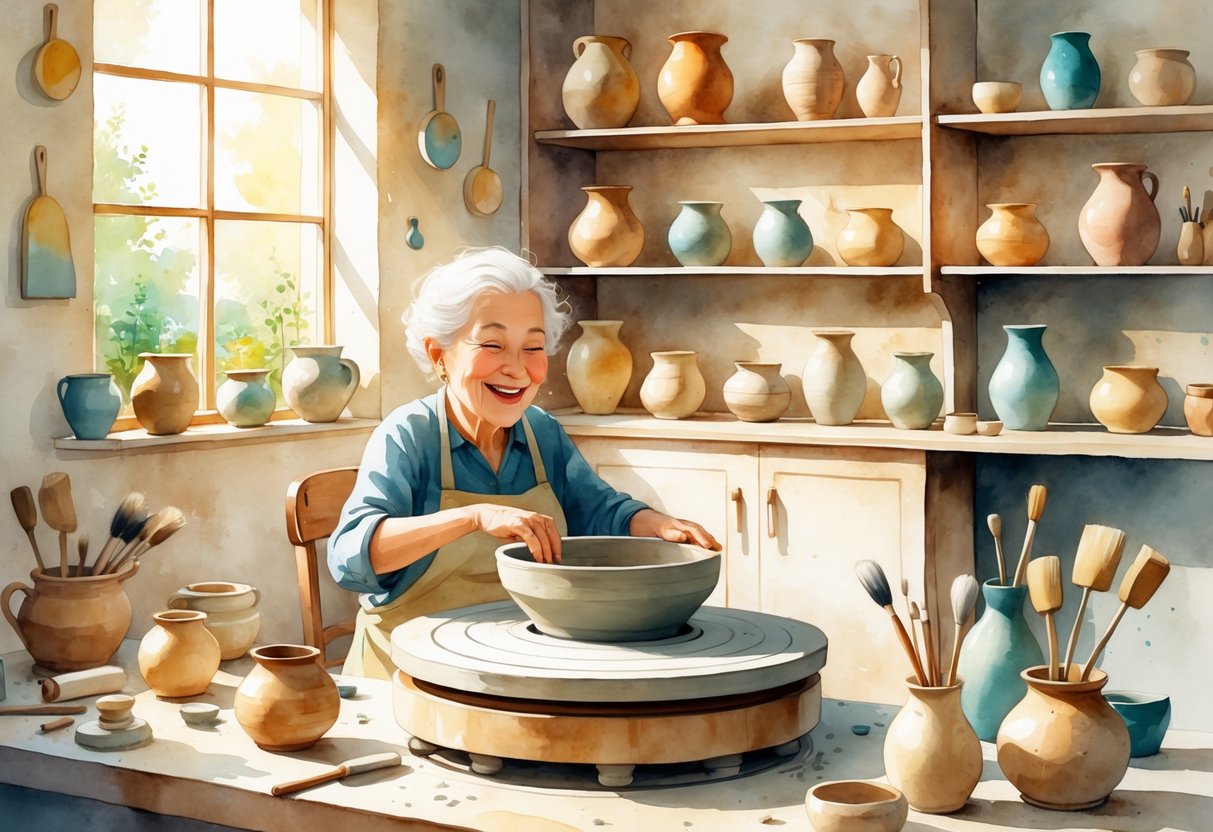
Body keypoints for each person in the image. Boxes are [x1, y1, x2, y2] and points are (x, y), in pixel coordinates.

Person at [328, 247, 720, 678]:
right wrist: (473, 516)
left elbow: (598, 509)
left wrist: (661, 526)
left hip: (512, 667)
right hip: (407, 677)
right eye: (493, 345)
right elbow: (350, 557)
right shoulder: (408, 435)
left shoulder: (541, 432)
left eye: (532, 347)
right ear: (439, 354)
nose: (516, 369)